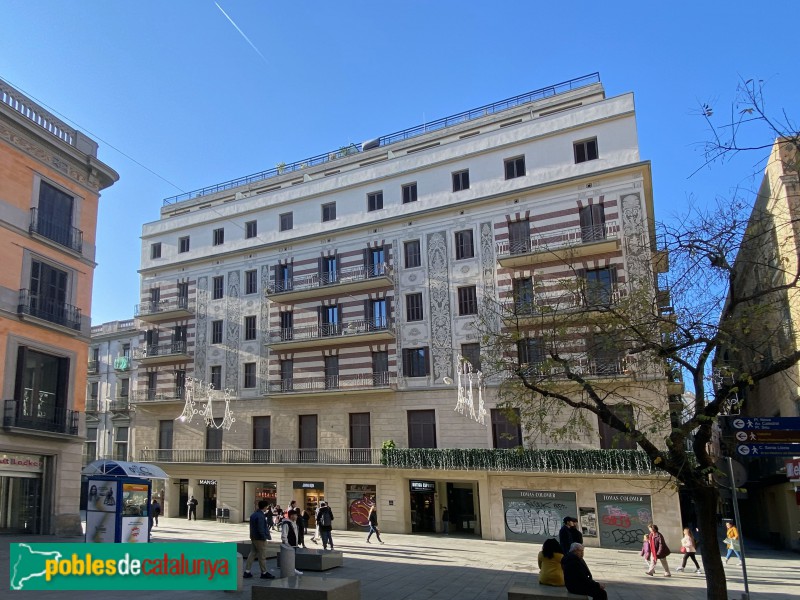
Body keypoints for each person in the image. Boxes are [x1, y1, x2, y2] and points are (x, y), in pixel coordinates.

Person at [243, 500, 275, 580]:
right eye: (266, 507)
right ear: (265, 507)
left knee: (252, 553)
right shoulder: (261, 516)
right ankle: (264, 572)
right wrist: (264, 537)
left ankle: (247, 571)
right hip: (260, 538)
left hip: (254, 537)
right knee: (262, 556)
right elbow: (261, 528)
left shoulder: (253, 514)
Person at [279, 508, 303, 577]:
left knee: (293, 558)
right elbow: (284, 534)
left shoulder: (294, 523)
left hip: (294, 544)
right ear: (292, 516)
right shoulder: (286, 524)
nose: (297, 516)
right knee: (289, 558)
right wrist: (286, 543)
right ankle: (291, 570)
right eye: (296, 515)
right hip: (290, 544)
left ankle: (293, 569)